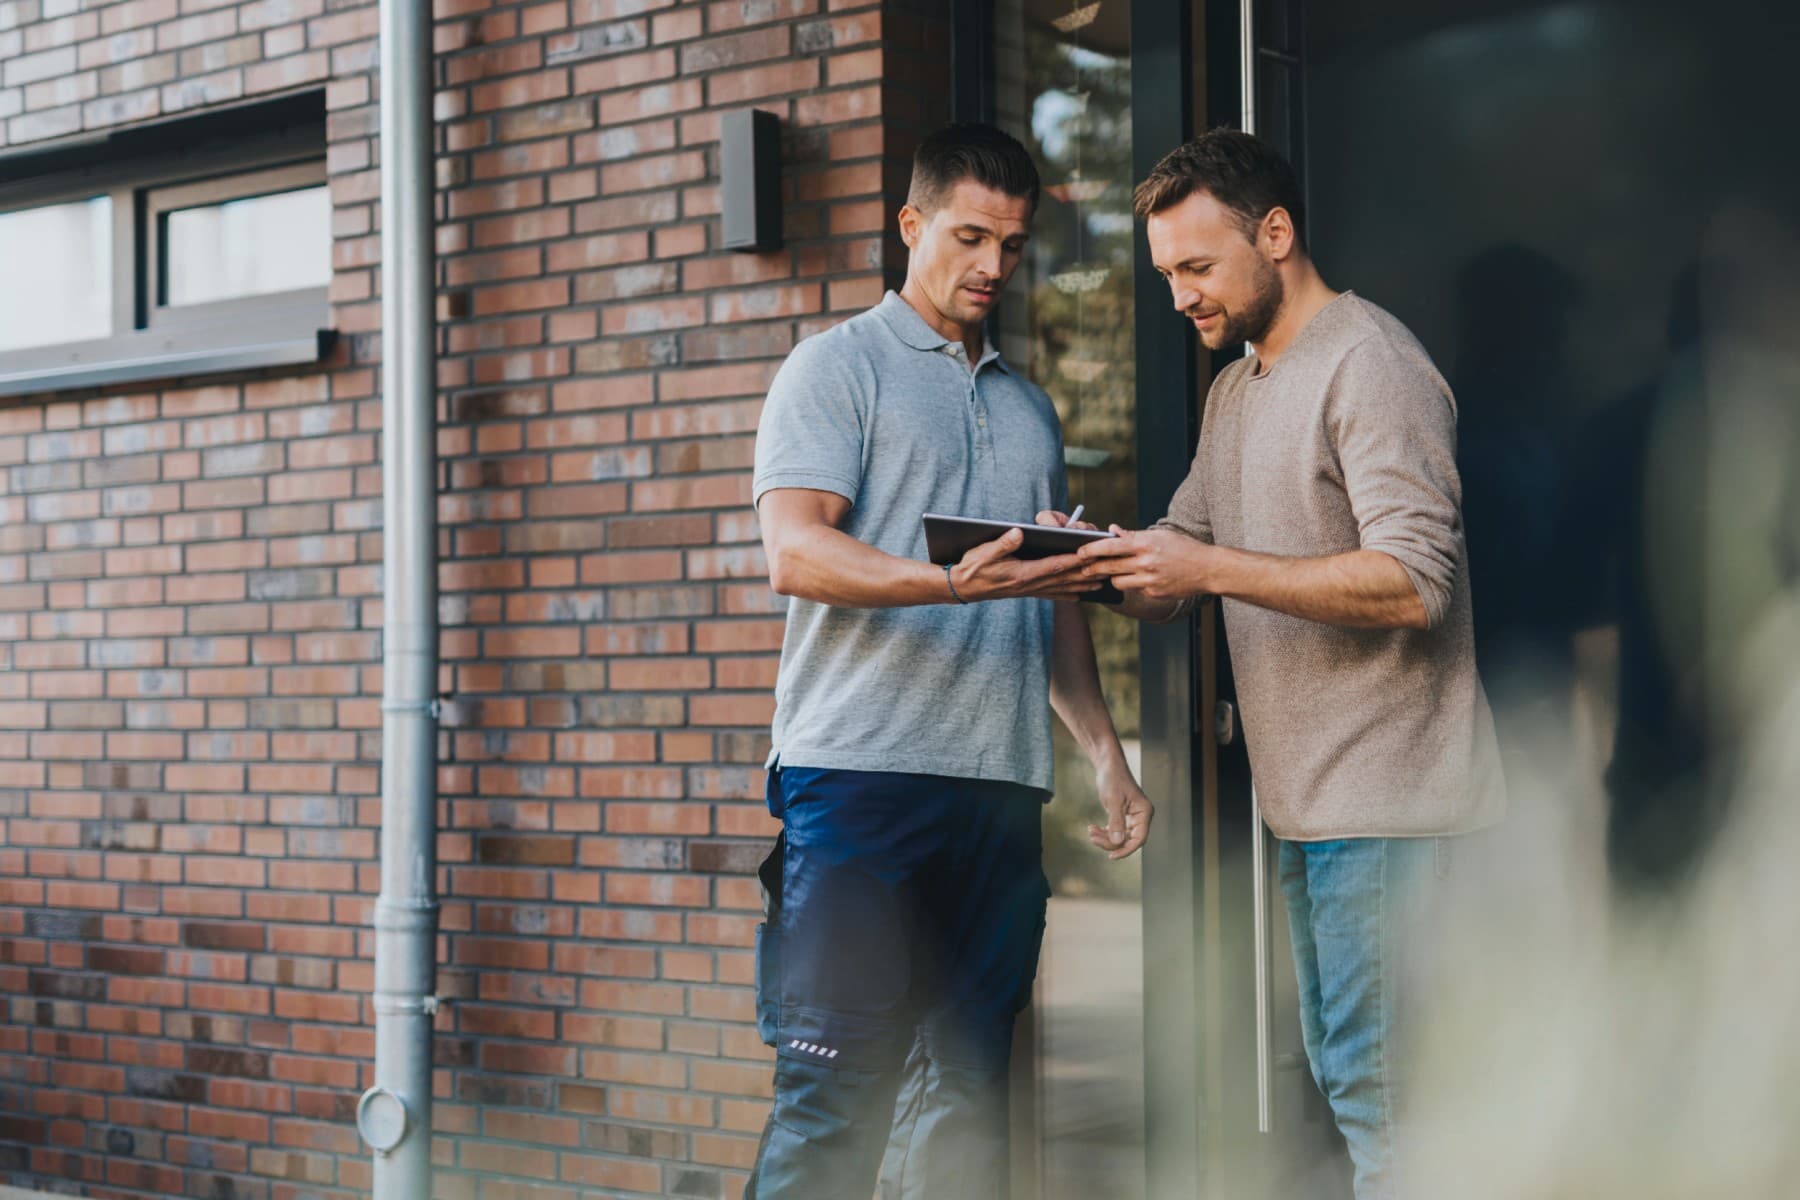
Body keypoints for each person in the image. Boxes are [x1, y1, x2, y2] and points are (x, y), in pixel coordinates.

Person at [1062, 130, 1504, 1198]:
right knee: (1361, 1090)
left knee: (1388, 1104)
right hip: (1313, 814)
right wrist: (1084, 562)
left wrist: (1205, 561)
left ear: (1276, 232)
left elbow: (1412, 581)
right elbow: (1180, 574)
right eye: (1167, 274)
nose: (1180, 298)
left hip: (1398, 811)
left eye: (1198, 268)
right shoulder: (1238, 392)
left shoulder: (1371, 364)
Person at [746, 122, 1154, 1200]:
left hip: (1000, 797)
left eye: (1013, 247)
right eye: (970, 237)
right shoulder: (836, 370)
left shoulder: (1029, 409)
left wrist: (1105, 756)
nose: (992, 267)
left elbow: (1050, 603)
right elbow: (795, 551)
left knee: (973, 1107)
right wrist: (948, 585)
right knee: (834, 1100)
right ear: (912, 225)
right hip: (861, 787)